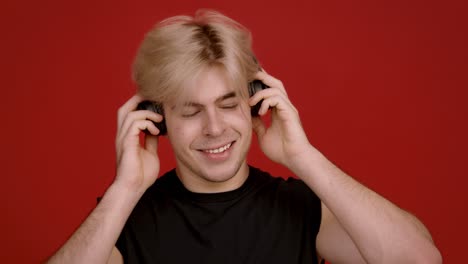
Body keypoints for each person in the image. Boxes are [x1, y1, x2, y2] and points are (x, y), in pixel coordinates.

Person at [48, 10, 442, 264]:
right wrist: (125, 189)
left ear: (254, 104)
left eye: (228, 103)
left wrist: (301, 156)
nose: (215, 127)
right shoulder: (126, 222)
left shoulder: (299, 209)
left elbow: (420, 260)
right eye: (190, 110)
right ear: (157, 118)